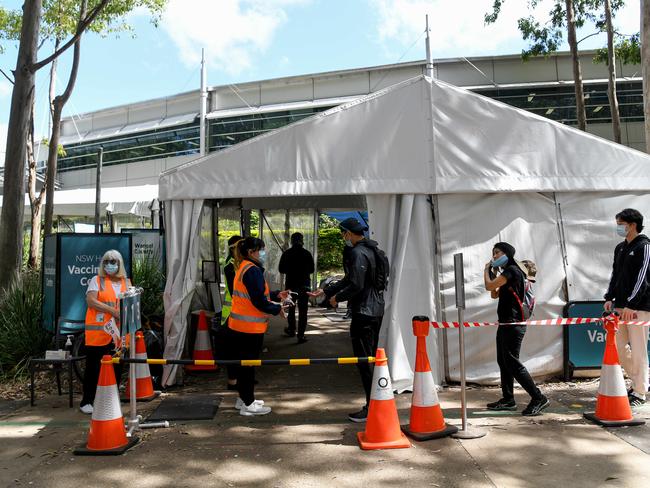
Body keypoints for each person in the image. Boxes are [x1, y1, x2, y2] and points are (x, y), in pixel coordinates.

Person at [311, 217, 385, 423]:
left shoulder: (356, 252)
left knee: (364, 361)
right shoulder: (370, 249)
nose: (342, 237)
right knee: (369, 359)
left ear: (349, 233)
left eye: (342, 233)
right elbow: (348, 279)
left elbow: (356, 284)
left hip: (364, 312)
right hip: (375, 309)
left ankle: (372, 407)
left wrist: (336, 298)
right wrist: (325, 290)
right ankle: (375, 403)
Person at [483, 242, 549, 416]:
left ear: (507, 253)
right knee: (503, 362)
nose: (494, 256)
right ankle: (508, 399)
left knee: (513, 363)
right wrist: (493, 273)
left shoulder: (512, 270)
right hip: (505, 323)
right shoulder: (507, 272)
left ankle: (538, 398)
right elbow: (494, 293)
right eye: (493, 253)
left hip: (513, 324)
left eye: (497, 253)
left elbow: (489, 286)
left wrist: (485, 271)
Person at [229, 237, 289, 416]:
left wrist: (277, 294)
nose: (263, 252)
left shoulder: (244, 267)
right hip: (249, 328)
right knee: (248, 365)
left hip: (240, 326)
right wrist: (277, 308)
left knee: (243, 365)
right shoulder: (252, 270)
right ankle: (248, 404)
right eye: (261, 249)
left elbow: (255, 293)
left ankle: (243, 399)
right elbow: (258, 301)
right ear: (251, 252)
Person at [604, 208, 650, 407]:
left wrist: (632, 304)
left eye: (620, 224)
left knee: (639, 349)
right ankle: (641, 381)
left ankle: (639, 391)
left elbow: (644, 279)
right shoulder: (619, 248)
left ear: (632, 225)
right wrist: (609, 297)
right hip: (620, 307)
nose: (618, 228)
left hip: (638, 308)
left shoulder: (645, 246)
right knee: (619, 348)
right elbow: (615, 275)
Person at [80, 249, 129, 414]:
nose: (110, 265)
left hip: (118, 335)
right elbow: (91, 301)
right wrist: (112, 311)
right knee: (93, 368)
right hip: (98, 334)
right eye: (107, 261)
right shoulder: (97, 280)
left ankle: (110, 401)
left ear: (120, 264)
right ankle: (87, 401)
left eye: (113, 261)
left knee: (116, 368)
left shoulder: (126, 282)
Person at [212, 235, 242, 391]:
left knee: (240, 349)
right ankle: (233, 381)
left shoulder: (238, 263)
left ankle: (240, 380)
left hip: (237, 314)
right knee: (234, 350)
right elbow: (235, 291)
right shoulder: (231, 265)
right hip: (232, 315)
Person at [279, 232, 315, 344]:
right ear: (302, 240)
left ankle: (291, 330)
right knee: (303, 311)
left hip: (291, 286)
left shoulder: (287, 253)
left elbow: (281, 270)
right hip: (304, 286)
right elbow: (312, 270)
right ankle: (301, 335)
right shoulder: (307, 254)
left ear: (291, 241)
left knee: (291, 309)